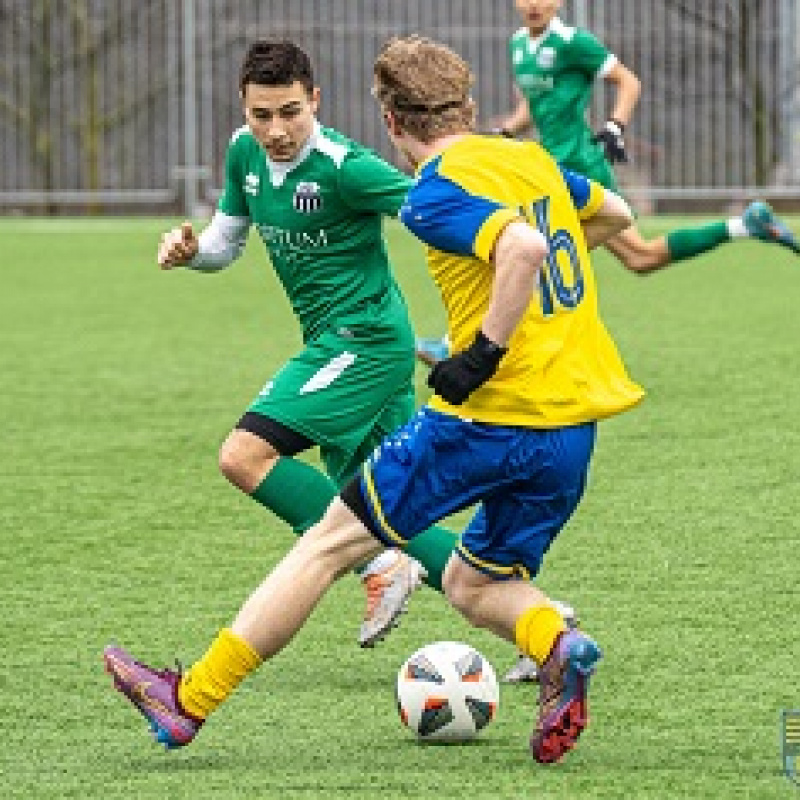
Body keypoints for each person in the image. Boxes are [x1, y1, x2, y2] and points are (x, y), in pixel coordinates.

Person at [104, 34, 644, 765]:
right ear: (469, 103)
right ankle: (559, 642)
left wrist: (480, 354)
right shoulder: (531, 161)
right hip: (573, 428)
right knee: (475, 583)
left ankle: (188, 701)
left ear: (389, 121)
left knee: (327, 544)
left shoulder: (431, 193)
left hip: (486, 418)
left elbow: (520, 250)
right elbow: (610, 213)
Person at [156, 38, 464, 647]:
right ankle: (543, 625)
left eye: (290, 111)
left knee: (243, 457)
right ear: (243, 109)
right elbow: (225, 243)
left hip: (365, 343)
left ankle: (379, 566)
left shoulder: (344, 168)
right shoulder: (242, 154)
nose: (275, 130)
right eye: (261, 114)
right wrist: (193, 255)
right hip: (345, 344)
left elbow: (439, 214)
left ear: (315, 100)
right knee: (389, 506)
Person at [415, 0, 800, 367]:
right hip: (549, 168)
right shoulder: (519, 45)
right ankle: (744, 225)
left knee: (518, 250)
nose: (535, 4)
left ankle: (458, 343)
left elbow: (628, 82)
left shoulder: (573, 43)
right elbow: (532, 108)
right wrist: (503, 131)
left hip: (580, 166)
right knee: (636, 257)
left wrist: (615, 126)